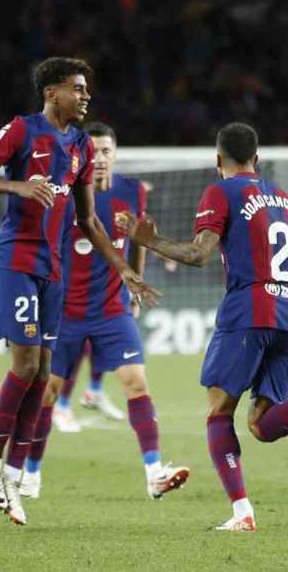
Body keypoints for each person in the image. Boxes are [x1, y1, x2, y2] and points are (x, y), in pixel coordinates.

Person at [119, 122, 288, 532]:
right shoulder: (287, 201)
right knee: (260, 425)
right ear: (258, 158)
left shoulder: (222, 191)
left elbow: (199, 254)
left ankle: (242, 512)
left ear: (218, 160)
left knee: (219, 413)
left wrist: (150, 242)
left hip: (249, 312)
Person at [0, 58, 160, 526]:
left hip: (51, 268)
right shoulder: (21, 130)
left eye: (87, 88)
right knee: (27, 365)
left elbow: (89, 220)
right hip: (13, 259)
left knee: (45, 371)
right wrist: (19, 186)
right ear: (52, 93)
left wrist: (125, 270)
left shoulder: (81, 148)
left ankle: (12, 475)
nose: (86, 95)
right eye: (77, 88)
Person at [20, 122, 189, 500]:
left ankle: (153, 472)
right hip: (63, 314)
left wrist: (137, 283)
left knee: (136, 382)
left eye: (106, 151)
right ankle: (30, 474)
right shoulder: (62, 196)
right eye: (92, 152)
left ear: (115, 154)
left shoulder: (131, 191)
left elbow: (141, 236)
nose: (99, 159)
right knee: (47, 394)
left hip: (112, 310)